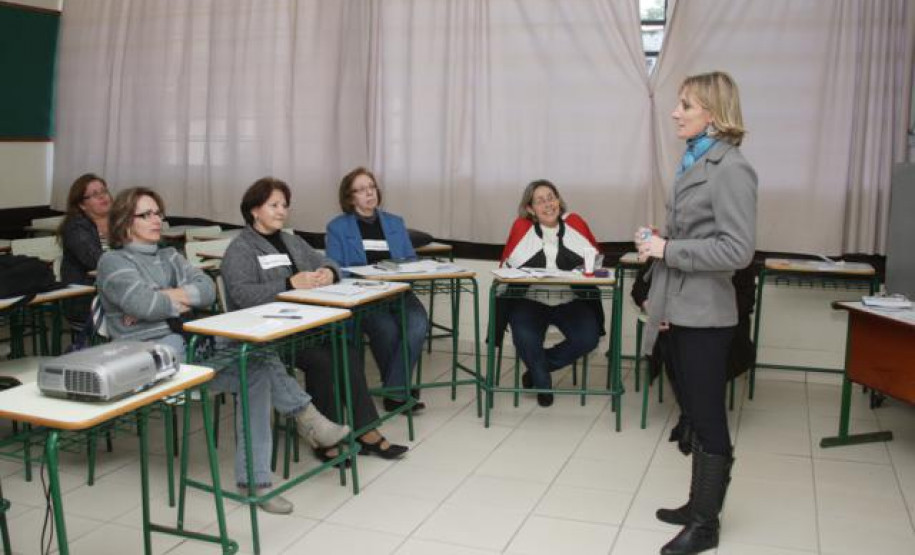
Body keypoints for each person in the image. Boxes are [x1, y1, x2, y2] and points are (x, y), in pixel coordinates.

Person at [97, 187, 349, 516]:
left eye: (158, 212)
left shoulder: (170, 255)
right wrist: (169, 299)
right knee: (252, 352)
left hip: (190, 340)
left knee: (255, 363)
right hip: (150, 357)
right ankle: (309, 419)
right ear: (124, 222)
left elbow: (205, 291)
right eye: (147, 214)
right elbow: (143, 303)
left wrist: (166, 298)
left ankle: (256, 482)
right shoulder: (112, 261)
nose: (157, 219)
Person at [635, 71, 757, 555]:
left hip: (708, 317)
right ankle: (696, 504)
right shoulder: (695, 161)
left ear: (713, 111)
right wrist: (663, 262)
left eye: (685, 105)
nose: (675, 112)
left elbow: (737, 250)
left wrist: (668, 248)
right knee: (691, 410)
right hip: (682, 309)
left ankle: (705, 526)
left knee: (707, 418)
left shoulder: (732, 168)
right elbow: (693, 238)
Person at [220, 177, 407, 465]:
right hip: (269, 335)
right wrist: (288, 282)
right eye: (274, 205)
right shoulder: (241, 249)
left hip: (303, 326)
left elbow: (326, 260)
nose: (282, 211)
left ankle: (366, 431)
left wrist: (329, 273)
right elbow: (242, 295)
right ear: (254, 210)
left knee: (346, 351)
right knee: (322, 360)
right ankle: (324, 439)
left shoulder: (291, 240)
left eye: (285, 205)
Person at [325, 167, 430, 413]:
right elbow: (336, 267)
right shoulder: (337, 227)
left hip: (398, 291)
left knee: (418, 323)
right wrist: (368, 274)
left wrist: (400, 271)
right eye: (361, 190)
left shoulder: (395, 222)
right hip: (366, 296)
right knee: (387, 329)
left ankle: (395, 387)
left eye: (371, 187)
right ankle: (398, 393)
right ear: (350, 198)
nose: (369, 193)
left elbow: (412, 260)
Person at [631, 259, 756, 456]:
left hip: (722, 326)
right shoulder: (667, 248)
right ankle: (690, 415)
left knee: (704, 351)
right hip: (675, 325)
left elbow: (746, 299)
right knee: (671, 343)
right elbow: (639, 288)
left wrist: (704, 314)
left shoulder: (731, 252)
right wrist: (653, 308)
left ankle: (695, 419)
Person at [497, 179, 603, 407]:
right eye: (540, 200)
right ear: (530, 208)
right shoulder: (521, 228)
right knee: (524, 337)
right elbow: (506, 268)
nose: (547, 204)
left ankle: (537, 370)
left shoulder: (574, 224)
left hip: (569, 299)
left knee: (588, 338)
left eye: (551, 198)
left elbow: (595, 262)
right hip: (531, 300)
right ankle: (542, 381)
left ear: (559, 201)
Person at [57, 173, 112, 328]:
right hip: (86, 299)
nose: (102, 197)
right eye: (95, 194)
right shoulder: (75, 227)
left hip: (116, 294)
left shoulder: (121, 221)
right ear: (82, 205)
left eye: (104, 191)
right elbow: (94, 260)